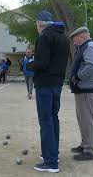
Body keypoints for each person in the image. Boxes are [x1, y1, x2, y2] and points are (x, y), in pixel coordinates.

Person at [27, 11, 70, 173]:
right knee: (53, 119)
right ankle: (53, 154)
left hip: (45, 84)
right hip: (57, 84)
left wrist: (30, 64)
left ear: (40, 24)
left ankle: (50, 162)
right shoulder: (64, 38)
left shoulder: (45, 37)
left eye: (36, 25)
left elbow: (42, 63)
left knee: (45, 121)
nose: (36, 28)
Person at [69, 27, 93, 161]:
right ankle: (84, 144)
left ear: (81, 37)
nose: (74, 43)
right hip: (83, 91)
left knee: (87, 121)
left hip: (87, 92)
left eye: (75, 40)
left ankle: (89, 151)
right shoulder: (85, 47)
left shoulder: (90, 46)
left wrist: (77, 77)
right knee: (83, 120)